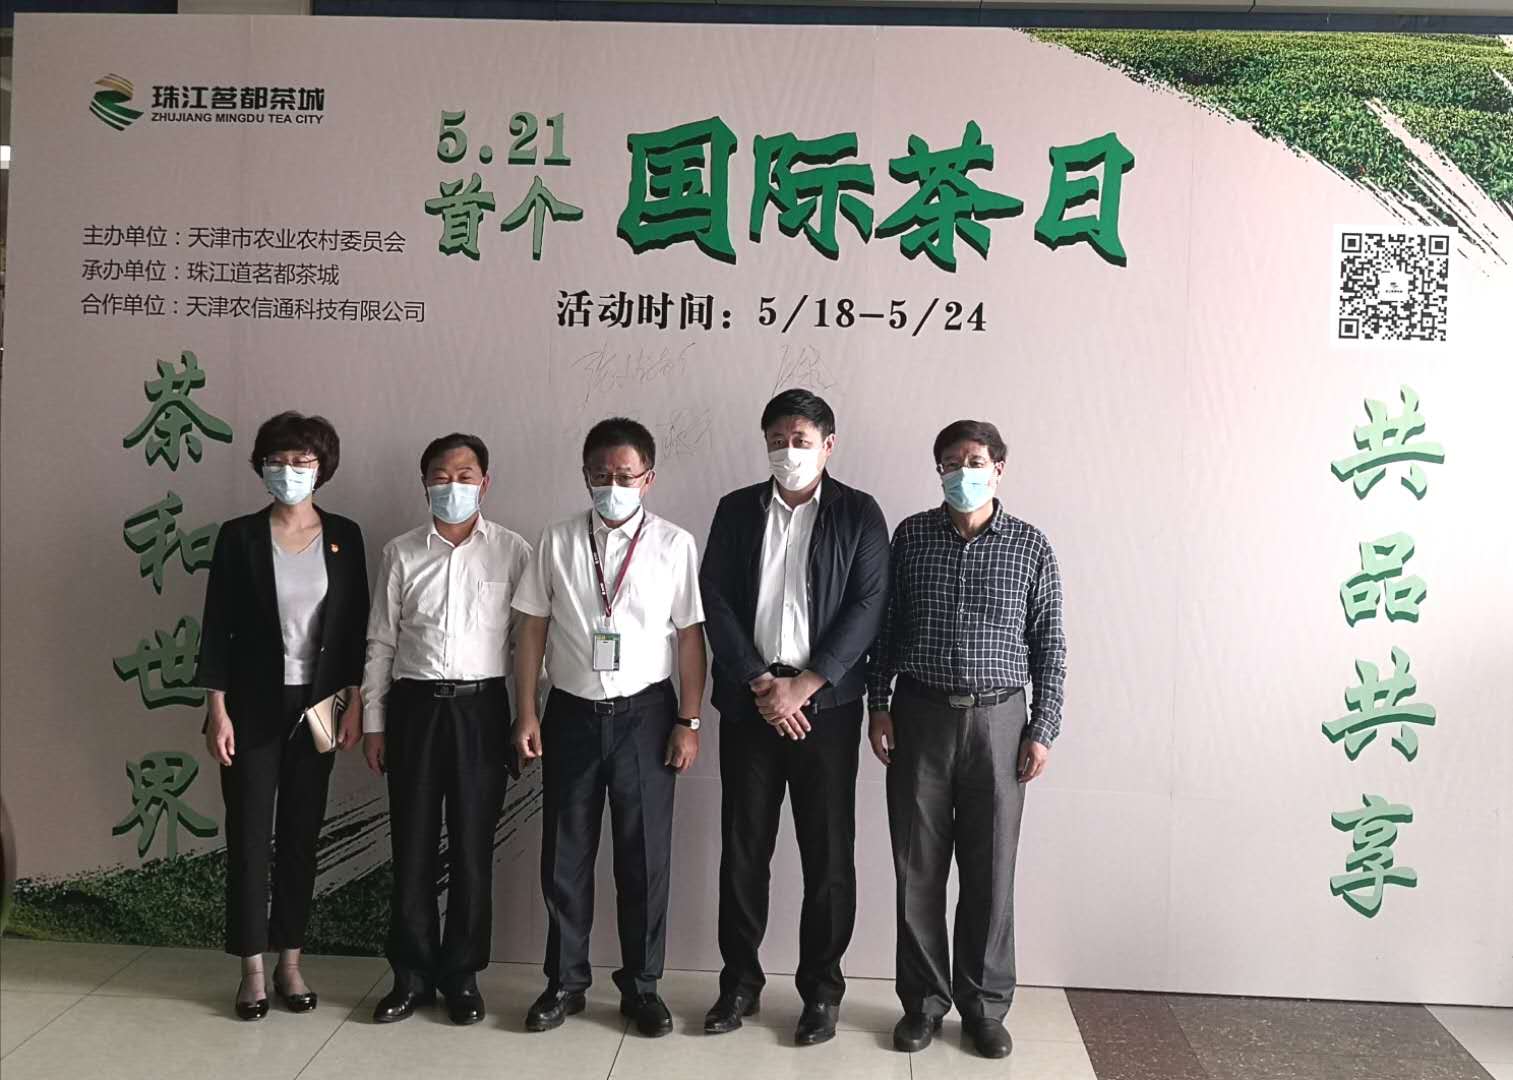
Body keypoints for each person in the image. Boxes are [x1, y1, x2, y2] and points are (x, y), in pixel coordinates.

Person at [867, 419, 1067, 1059]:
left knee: (991, 870)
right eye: (951, 463)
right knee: (917, 869)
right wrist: (878, 705)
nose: (963, 473)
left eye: (975, 461)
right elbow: (886, 628)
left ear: (998, 468)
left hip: (1000, 723)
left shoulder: (1031, 547)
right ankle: (924, 1003)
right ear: (938, 471)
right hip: (919, 715)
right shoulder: (912, 537)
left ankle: (984, 1006)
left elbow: (1050, 645)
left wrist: (1042, 728)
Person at [698, 389, 889, 1046]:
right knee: (743, 851)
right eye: (777, 440)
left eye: (801, 440)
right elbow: (714, 600)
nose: (788, 451)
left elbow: (868, 606)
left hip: (826, 709)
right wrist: (761, 682)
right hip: (750, 705)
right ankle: (738, 984)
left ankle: (822, 993)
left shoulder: (858, 513)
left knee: (828, 856)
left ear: (827, 446)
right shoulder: (735, 510)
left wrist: (804, 685)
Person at [511, 418, 706, 1039]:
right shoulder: (557, 539)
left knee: (644, 859)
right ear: (585, 476)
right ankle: (564, 983)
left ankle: (642, 987)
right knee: (564, 856)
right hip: (570, 713)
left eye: (625, 475)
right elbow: (532, 627)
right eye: (601, 475)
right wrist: (526, 710)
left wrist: (689, 719)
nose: (613, 486)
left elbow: (690, 638)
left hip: (647, 717)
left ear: (649, 478)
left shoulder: (675, 544)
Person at [196, 412, 369, 1021]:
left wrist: (355, 702)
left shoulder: (345, 536)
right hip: (250, 707)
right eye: (277, 460)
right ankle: (251, 970)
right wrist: (217, 710)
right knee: (249, 837)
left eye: (301, 461)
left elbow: (354, 629)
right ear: (261, 466)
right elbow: (216, 627)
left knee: (301, 834)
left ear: (322, 468)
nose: (288, 471)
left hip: (320, 707)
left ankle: (290, 963)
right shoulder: (239, 536)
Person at [362, 433, 531, 1026]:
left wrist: (526, 716)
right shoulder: (400, 553)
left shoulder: (512, 552)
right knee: (410, 845)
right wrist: (374, 723)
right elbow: (381, 642)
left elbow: (529, 646)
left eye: (465, 475)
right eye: (441, 475)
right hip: (413, 710)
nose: (452, 486)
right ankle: (410, 975)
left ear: (485, 482)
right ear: (424, 482)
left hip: (482, 712)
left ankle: (461, 976)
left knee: (471, 848)